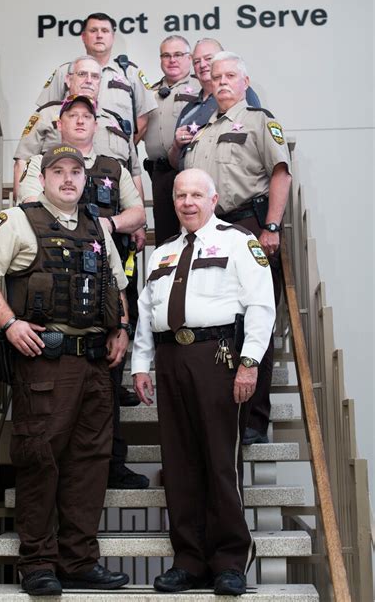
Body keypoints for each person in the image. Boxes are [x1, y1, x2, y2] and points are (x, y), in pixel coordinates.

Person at [0, 145, 130, 596]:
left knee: (90, 464)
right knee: (40, 459)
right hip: (46, 364)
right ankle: (38, 562)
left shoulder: (98, 225)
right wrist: (10, 322)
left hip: (97, 365)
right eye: (58, 171)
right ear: (44, 178)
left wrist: (122, 328)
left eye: (76, 172)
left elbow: (117, 284)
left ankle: (79, 561)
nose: (68, 179)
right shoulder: (19, 219)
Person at [132, 168, 275, 596]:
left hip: (218, 358)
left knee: (219, 461)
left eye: (197, 194)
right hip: (170, 358)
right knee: (179, 465)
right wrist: (141, 364)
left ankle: (229, 560)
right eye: (180, 195)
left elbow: (261, 306)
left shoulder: (237, 241)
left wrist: (249, 363)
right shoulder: (162, 254)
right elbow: (145, 312)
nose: (188, 202)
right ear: (173, 202)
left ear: (213, 200)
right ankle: (189, 560)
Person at [18, 94, 150, 490]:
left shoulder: (114, 166)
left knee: (106, 384)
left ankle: (112, 463)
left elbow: (139, 212)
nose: (79, 122)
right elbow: (27, 203)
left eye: (86, 117)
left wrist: (104, 227)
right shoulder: (41, 165)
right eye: (71, 116)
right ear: (59, 123)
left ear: (97, 126)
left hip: (104, 288)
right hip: (55, 290)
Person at [181, 51, 292, 446]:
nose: (223, 82)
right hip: (211, 233)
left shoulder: (262, 122)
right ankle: (223, 418)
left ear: (245, 82)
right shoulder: (201, 132)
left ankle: (255, 421)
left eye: (231, 75)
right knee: (218, 327)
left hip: (249, 226)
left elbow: (280, 173)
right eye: (217, 76)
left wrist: (273, 226)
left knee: (254, 324)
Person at [13, 55, 144, 204]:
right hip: (56, 212)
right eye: (82, 74)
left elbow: (134, 173)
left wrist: (139, 220)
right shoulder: (47, 114)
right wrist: (24, 209)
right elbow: (22, 162)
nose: (89, 80)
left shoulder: (117, 121)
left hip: (110, 213)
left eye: (95, 76)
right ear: (68, 80)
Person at [36, 12, 156, 143]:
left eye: (105, 31)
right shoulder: (65, 71)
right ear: (83, 36)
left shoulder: (130, 73)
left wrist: (125, 148)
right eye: (93, 31)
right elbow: (46, 113)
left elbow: (143, 118)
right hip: (72, 157)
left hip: (115, 158)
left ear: (112, 37)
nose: (99, 35)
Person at [168, 38, 260, 170]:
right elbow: (175, 164)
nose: (202, 64)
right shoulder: (188, 109)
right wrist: (176, 145)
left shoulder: (241, 93)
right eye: (197, 61)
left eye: (208, 59)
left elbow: (253, 145)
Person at [143, 35, 200, 245]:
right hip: (161, 173)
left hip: (191, 169)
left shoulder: (200, 87)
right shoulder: (150, 93)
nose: (172, 60)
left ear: (190, 58)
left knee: (196, 232)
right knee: (165, 237)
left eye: (178, 54)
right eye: (166, 55)